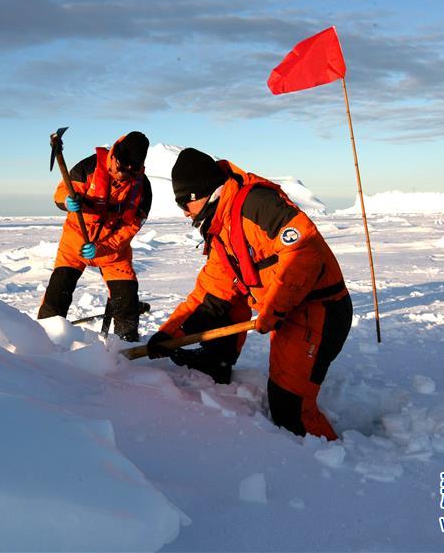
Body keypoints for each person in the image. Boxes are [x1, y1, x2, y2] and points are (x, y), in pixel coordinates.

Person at [146, 148, 352, 440]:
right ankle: (216, 361)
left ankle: (335, 467)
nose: (183, 212)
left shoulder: (256, 205)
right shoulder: (223, 226)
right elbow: (211, 290)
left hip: (320, 312)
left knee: (291, 410)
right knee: (218, 309)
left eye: (184, 202)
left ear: (202, 194)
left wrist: (275, 308)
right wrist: (169, 334)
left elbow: (305, 251)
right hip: (289, 314)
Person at [38, 131, 152, 341]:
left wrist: (103, 248)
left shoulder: (142, 189)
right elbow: (63, 191)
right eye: (121, 166)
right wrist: (67, 201)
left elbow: (129, 229)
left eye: (131, 170)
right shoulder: (88, 168)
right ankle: (43, 338)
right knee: (58, 290)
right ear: (115, 155)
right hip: (75, 244)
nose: (123, 173)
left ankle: (126, 346)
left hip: (113, 251)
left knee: (126, 296)